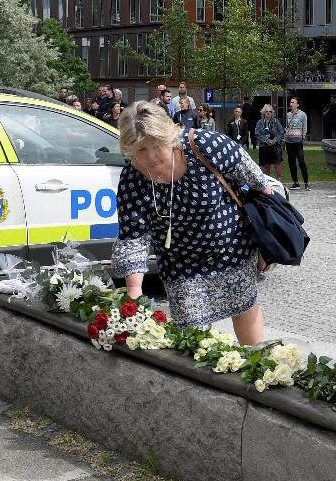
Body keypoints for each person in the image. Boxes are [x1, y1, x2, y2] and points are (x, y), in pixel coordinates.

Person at [112, 101, 274, 344]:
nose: (151, 157)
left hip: (232, 252)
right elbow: (133, 236)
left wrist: (269, 227)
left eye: (156, 145)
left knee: (244, 310)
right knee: (190, 334)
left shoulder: (205, 145)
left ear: (168, 136)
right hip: (180, 265)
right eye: (141, 151)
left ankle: (254, 367)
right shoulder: (132, 178)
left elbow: (254, 178)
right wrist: (134, 293)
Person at [284, 96, 310, 191]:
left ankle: (306, 183)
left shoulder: (302, 115)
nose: (291, 104)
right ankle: (296, 182)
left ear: (297, 104)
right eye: (290, 102)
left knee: (301, 161)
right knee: (291, 162)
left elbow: (305, 127)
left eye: (293, 102)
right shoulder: (288, 115)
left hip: (298, 141)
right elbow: (287, 126)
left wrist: (302, 137)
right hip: (289, 141)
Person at [254, 104, 285, 181]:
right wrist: (267, 141)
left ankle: (279, 184)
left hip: (275, 147)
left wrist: (274, 140)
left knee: (277, 165)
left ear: (272, 113)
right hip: (264, 147)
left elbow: (281, 133)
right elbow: (257, 134)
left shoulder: (276, 122)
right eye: (266, 111)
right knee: (265, 167)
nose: (268, 113)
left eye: (270, 111)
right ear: (263, 112)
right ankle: (266, 185)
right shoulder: (259, 122)